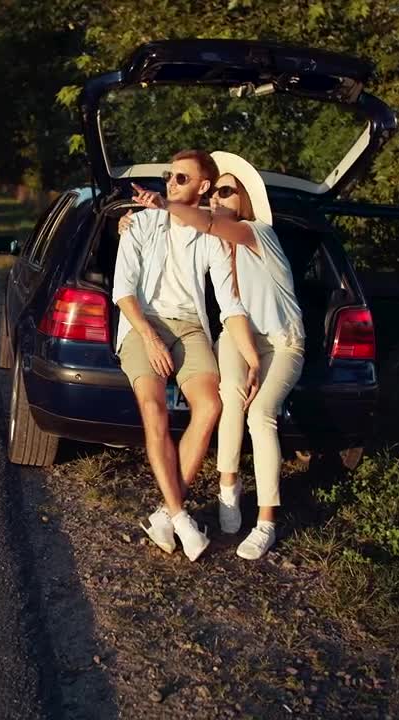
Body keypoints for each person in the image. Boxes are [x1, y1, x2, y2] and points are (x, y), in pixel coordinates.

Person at [119, 151, 305, 561]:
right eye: (169, 177)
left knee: (238, 410)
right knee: (193, 403)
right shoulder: (173, 228)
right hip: (188, 329)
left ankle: (253, 520)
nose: (218, 199)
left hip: (263, 337)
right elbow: (126, 289)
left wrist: (164, 204)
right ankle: (206, 502)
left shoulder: (246, 233)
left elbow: (227, 292)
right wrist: (136, 220)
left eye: (226, 191)